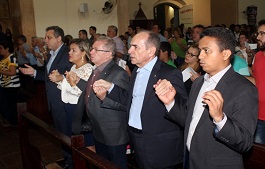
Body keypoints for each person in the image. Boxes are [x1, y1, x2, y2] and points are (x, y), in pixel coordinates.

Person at [154, 27, 258, 169]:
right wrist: (171, 102)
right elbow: (189, 121)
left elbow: (245, 143)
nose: (200, 56)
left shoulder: (244, 89)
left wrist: (220, 119)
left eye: (206, 51)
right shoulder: (199, 82)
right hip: (190, 160)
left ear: (226, 53)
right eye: (200, 50)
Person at [93, 30, 188, 169]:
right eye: (130, 46)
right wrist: (111, 87)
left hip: (160, 144)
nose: (129, 50)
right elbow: (130, 100)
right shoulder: (137, 71)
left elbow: (184, 109)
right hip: (137, 138)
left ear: (151, 51)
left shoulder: (169, 73)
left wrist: (171, 100)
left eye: (135, 47)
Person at [71, 36, 130, 169]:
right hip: (98, 129)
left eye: (96, 50)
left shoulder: (118, 74)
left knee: (116, 165)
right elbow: (91, 93)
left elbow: (125, 103)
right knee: (103, 164)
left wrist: (104, 98)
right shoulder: (97, 69)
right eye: (92, 49)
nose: (91, 52)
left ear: (108, 54)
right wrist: (79, 82)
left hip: (112, 132)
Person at [19, 26, 73, 168]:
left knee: (68, 135)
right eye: (45, 37)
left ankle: (72, 163)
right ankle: (68, 161)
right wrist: (34, 73)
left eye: (49, 37)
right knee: (61, 134)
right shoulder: (52, 54)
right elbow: (49, 77)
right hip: (54, 101)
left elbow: (69, 77)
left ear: (58, 38)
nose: (45, 40)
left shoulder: (67, 53)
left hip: (64, 101)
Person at [48, 39, 94, 149]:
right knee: (73, 139)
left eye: (74, 50)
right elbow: (68, 88)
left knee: (85, 142)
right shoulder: (74, 67)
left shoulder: (88, 69)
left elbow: (83, 93)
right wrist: (60, 79)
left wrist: (62, 79)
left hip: (80, 109)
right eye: (70, 50)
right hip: (69, 107)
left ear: (83, 53)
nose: (69, 53)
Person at [0, 41, 20, 126]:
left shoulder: (11, 58)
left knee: (12, 106)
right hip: (5, 85)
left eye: (1, 48)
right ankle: (10, 121)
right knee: (7, 105)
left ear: (7, 48)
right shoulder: (3, 59)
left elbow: (12, 72)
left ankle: (15, 122)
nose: (0, 50)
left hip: (12, 85)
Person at [253, 19, 265, 144]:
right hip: (258, 116)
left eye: (262, 33)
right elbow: (256, 80)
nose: (258, 37)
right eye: (258, 33)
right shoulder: (258, 56)